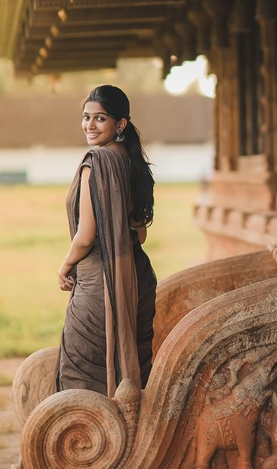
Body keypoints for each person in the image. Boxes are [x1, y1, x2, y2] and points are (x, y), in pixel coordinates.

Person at [57, 85, 157, 397]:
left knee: (82, 376)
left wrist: (65, 265)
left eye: (100, 118)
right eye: (86, 117)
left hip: (99, 283)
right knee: (133, 375)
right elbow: (139, 233)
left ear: (120, 124)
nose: (90, 125)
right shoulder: (133, 163)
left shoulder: (97, 162)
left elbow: (86, 235)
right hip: (137, 280)